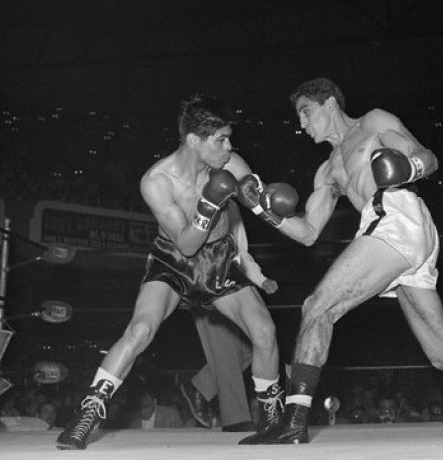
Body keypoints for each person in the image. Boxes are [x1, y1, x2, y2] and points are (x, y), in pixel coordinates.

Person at [236, 77, 443, 444]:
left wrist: (408, 168)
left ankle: (294, 422)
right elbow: (307, 233)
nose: (301, 124)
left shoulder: (372, 124)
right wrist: (261, 208)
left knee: (318, 306)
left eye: (306, 111)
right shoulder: (327, 171)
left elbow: (426, 157)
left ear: (330, 104)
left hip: (397, 216)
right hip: (397, 232)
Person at [56, 94, 292, 450]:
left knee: (264, 330)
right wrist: (210, 205)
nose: (230, 147)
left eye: (229, 138)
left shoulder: (232, 163)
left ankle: (272, 422)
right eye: (221, 140)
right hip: (174, 261)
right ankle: (87, 416)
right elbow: (185, 244)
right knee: (140, 330)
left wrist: (270, 201)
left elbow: (259, 205)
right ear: (194, 141)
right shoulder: (157, 181)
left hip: (220, 260)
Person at [180, 203, 280, 432]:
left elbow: (241, 253)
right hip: (204, 279)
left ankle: (200, 386)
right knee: (224, 349)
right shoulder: (195, 198)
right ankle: (235, 419)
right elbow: (180, 243)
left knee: (252, 346)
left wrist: (261, 279)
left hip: (234, 284)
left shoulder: (233, 208)